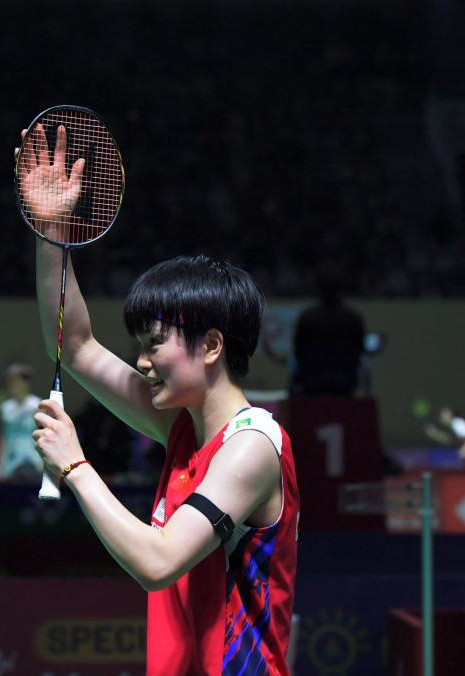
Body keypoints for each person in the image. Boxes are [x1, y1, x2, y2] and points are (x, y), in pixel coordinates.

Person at [19, 124, 299, 674]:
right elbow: (75, 347)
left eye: (154, 345)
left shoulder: (252, 448)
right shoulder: (183, 428)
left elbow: (159, 561)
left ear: (212, 345)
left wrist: (74, 466)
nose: (142, 363)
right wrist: (51, 232)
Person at [290, 262, 364, 397]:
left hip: (312, 384)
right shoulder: (353, 317)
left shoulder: (307, 317)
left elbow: (298, 351)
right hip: (344, 384)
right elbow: (359, 350)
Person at [0, 364, 43, 482]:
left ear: (26, 383)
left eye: (16, 381)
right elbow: (3, 437)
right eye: (10, 381)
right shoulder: (5, 407)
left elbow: (43, 434)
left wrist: (44, 461)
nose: (12, 385)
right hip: (11, 461)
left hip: (33, 460)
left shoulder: (37, 405)